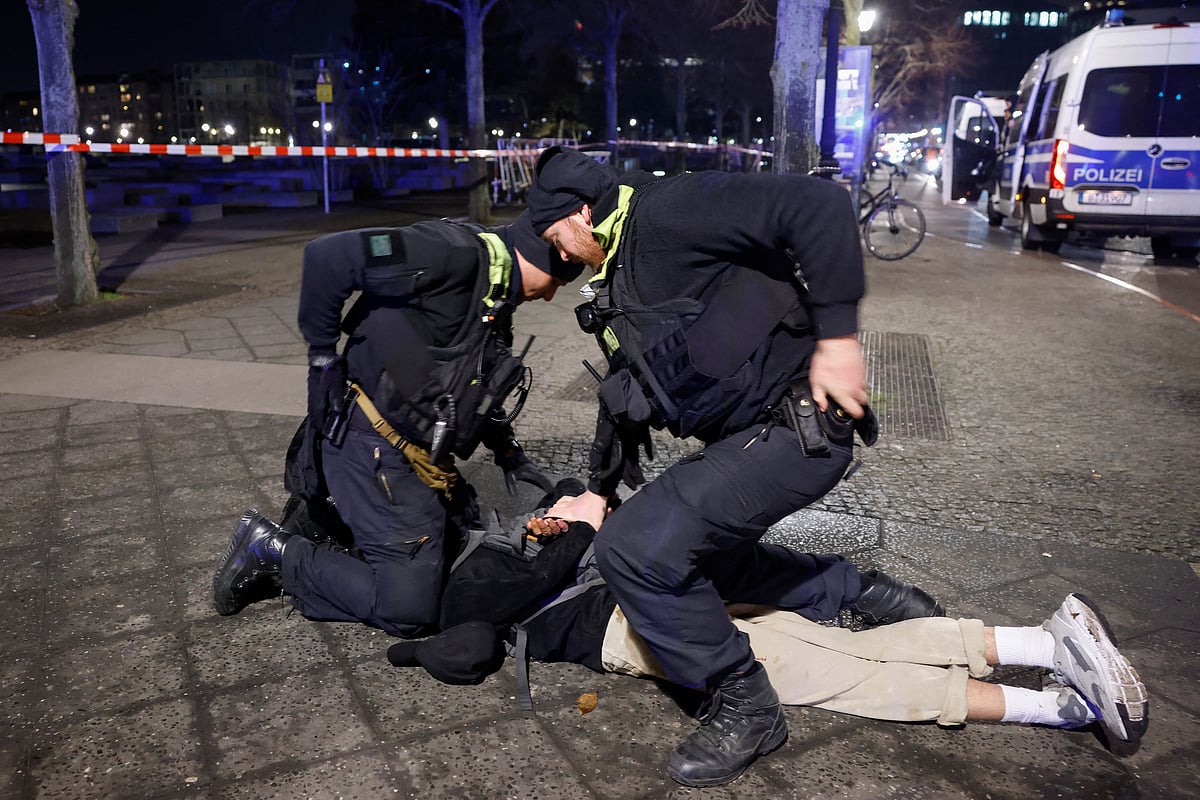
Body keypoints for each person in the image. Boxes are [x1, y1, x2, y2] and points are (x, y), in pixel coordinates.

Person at [524, 145, 877, 785]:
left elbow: (819, 202)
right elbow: (623, 393)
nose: (562, 259)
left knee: (634, 550)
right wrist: (598, 490)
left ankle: (744, 699)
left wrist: (839, 341)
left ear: (579, 215)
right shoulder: (621, 267)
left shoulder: (665, 212)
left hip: (798, 428)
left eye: (557, 240)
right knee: (703, 560)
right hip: (753, 435)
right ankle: (867, 593)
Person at [393, 524, 1150, 750]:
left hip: (644, 628)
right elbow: (474, 645)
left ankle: (1054, 662)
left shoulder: (475, 581)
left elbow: (473, 648)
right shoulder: (489, 571)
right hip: (656, 612)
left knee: (855, 679)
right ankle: (1055, 679)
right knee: (853, 657)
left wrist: (414, 648)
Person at [212, 211, 583, 638]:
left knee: (457, 546)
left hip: (412, 452)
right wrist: (322, 362)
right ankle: (273, 550)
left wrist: (507, 452)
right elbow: (327, 257)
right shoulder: (452, 252)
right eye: (556, 281)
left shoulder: (498, 290)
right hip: (370, 443)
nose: (553, 296)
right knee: (410, 609)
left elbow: (474, 378)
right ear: (538, 252)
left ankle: (325, 517)